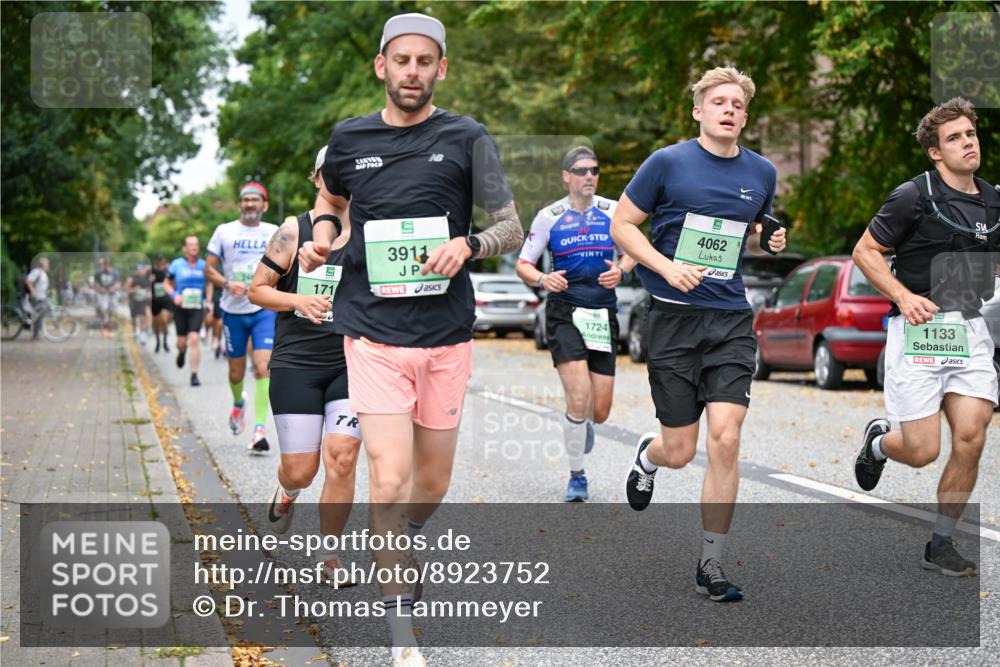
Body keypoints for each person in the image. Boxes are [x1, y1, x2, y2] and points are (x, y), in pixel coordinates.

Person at [298, 13, 523, 666]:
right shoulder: (349, 137)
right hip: (371, 331)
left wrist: (470, 243)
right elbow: (330, 200)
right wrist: (320, 237)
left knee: (430, 482)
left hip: (446, 334)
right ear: (382, 66)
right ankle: (403, 637)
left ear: (441, 69)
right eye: (402, 60)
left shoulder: (466, 137)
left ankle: (409, 534)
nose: (413, 72)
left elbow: (511, 226)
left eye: (426, 61)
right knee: (388, 479)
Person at [611, 66, 786, 603]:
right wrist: (665, 267)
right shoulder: (667, 162)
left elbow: (751, 232)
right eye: (719, 102)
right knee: (682, 450)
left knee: (727, 439)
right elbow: (622, 224)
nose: (729, 109)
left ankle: (712, 561)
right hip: (672, 317)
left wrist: (768, 240)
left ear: (745, 117)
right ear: (699, 111)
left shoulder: (762, 171)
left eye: (737, 104)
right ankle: (650, 456)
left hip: (730, 318)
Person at [852, 97, 999, 577]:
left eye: (970, 134)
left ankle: (941, 542)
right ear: (935, 152)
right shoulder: (913, 196)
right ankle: (879, 443)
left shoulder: (994, 201)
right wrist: (903, 295)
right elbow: (866, 251)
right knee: (921, 451)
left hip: (970, 330)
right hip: (919, 331)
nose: (967, 143)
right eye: (954, 138)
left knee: (972, 436)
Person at [248, 146, 363, 581]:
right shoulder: (292, 231)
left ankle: (329, 556)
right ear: (317, 180)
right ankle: (288, 490)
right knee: (302, 469)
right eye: (331, 173)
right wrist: (298, 299)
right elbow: (258, 289)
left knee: (342, 458)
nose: (341, 181)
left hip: (351, 363)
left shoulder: (372, 232)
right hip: (297, 362)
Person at [516, 146, 636, 501]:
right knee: (578, 395)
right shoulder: (548, 217)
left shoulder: (615, 213)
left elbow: (635, 250)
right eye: (581, 170)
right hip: (564, 311)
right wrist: (542, 280)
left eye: (594, 170)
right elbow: (525, 263)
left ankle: (583, 422)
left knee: (599, 411)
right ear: (566, 176)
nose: (589, 176)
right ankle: (577, 476)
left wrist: (621, 270)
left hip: (602, 313)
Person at [206, 183, 278, 454]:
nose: (250, 204)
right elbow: (209, 269)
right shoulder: (224, 231)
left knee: (262, 367)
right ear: (240, 204)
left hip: (263, 309)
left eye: (255, 200)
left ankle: (260, 429)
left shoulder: (274, 232)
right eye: (245, 200)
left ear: (264, 205)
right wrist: (227, 283)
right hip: (233, 310)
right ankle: (239, 403)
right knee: (235, 372)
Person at [166, 236, 207, 387]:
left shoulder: (204, 265)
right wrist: (174, 295)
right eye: (190, 245)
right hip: (180, 307)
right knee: (182, 341)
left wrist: (208, 300)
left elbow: (208, 284)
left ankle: (194, 374)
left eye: (196, 244)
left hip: (197, 306)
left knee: (194, 338)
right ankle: (182, 352)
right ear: (185, 248)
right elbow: (167, 283)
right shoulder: (176, 264)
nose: (194, 247)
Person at [150, 255, 173, 353]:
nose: (160, 263)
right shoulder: (152, 271)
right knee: (156, 323)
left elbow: (172, 283)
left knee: (164, 320)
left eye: (162, 261)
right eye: (158, 261)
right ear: (156, 262)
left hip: (165, 299)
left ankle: (165, 342)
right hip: (155, 299)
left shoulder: (168, 271)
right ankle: (158, 342)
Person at [24, 257, 51, 341]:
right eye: (47, 264)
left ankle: (37, 333)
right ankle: (36, 335)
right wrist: (33, 291)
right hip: (36, 298)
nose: (48, 265)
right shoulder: (36, 272)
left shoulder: (43, 273)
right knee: (37, 316)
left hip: (42, 297)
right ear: (42, 264)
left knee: (41, 316)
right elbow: (28, 280)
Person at [94, 256, 121, 337]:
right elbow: (95, 283)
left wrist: (113, 288)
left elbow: (118, 284)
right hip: (102, 295)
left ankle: (110, 331)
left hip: (112, 295)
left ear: (110, 265)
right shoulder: (99, 273)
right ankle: (102, 330)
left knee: (111, 314)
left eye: (107, 265)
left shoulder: (115, 273)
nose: (105, 266)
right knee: (103, 311)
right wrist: (100, 288)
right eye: (104, 265)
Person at [126, 263, 152, 343]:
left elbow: (149, 288)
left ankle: (142, 333)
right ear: (136, 270)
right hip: (133, 301)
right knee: (134, 318)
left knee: (143, 317)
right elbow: (127, 289)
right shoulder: (132, 278)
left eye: (141, 269)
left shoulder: (146, 278)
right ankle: (135, 332)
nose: (140, 271)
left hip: (143, 300)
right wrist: (134, 289)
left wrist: (149, 293)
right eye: (138, 269)